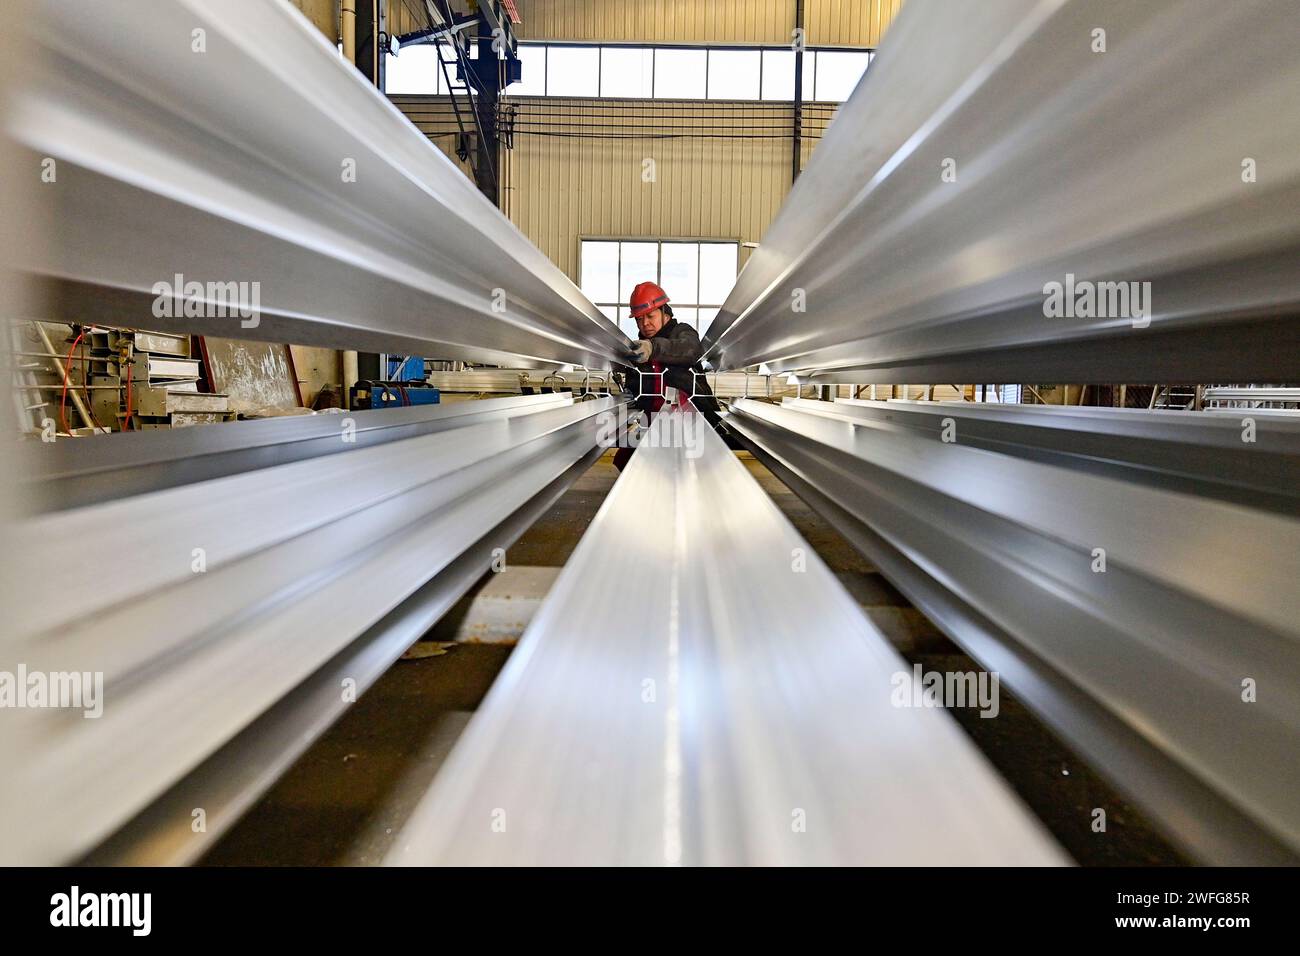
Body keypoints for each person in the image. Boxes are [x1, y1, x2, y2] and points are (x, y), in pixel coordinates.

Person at [613, 280, 725, 471]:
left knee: (690, 466)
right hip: (655, 421)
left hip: (692, 419)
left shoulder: (682, 332)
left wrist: (653, 348)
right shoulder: (640, 349)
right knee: (626, 459)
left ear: (665, 312)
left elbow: (690, 350)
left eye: (650, 315)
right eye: (639, 319)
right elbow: (637, 388)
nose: (645, 323)